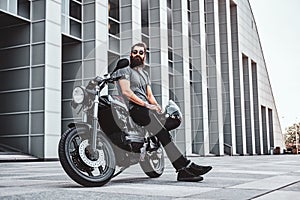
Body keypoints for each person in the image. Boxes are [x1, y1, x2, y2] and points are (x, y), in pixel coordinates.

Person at [116, 42, 212, 182]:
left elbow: (149, 95)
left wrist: (157, 106)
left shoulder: (144, 74)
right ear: (131, 54)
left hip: (146, 109)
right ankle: (184, 168)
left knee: (165, 132)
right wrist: (147, 106)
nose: (138, 55)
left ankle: (185, 167)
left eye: (141, 53)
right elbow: (126, 92)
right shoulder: (125, 70)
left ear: (144, 56)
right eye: (135, 52)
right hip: (135, 109)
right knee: (162, 133)